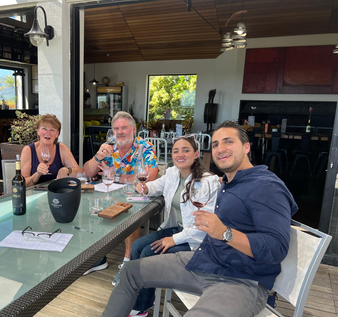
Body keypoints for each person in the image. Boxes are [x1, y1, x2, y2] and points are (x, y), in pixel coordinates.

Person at [102, 120, 298, 317]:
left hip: (240, 280)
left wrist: (224, 233)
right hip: (205, 261)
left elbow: (276, 248)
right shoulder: (228, 182)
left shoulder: (267, 186)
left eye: (228, 142)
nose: (220, 148)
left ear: (246, 147)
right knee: (130, 272)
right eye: (215, 144)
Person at [125, 136, 221, 316]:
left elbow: (206, 224)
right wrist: (145, 188)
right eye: (176, 151)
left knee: (147, 253)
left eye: (186, 150)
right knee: (137, 247)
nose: (180, 154)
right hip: (178, 229)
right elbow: (157, 186)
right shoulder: (172, 173)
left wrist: (174, 239)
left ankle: (142, 306)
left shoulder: (209, 181)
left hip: (197, 240)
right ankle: (139, 295)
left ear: (196, 155)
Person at [83, 111, 159, 281]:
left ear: (133, 130)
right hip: (108, 193)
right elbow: (87, 172)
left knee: (130, 214)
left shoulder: (144, 147)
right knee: (91, 206)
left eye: (124, 127)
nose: (120, 132)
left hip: (134, 197)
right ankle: (98, 257)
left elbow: (151, 176)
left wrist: (117, 177)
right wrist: (98, 156)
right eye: (116, 128)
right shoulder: (109, 147)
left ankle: (127, 262)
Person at [21, 114, 81, 186]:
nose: (48, 133)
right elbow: (22, 183)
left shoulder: (61, 148)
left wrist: (67, 170)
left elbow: (79, 172)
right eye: (44, 129)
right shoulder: (28, 150)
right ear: (38, 131)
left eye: (52, 130)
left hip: (57, 193)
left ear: (57, 134)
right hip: (34, 195)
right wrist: (37, 174)